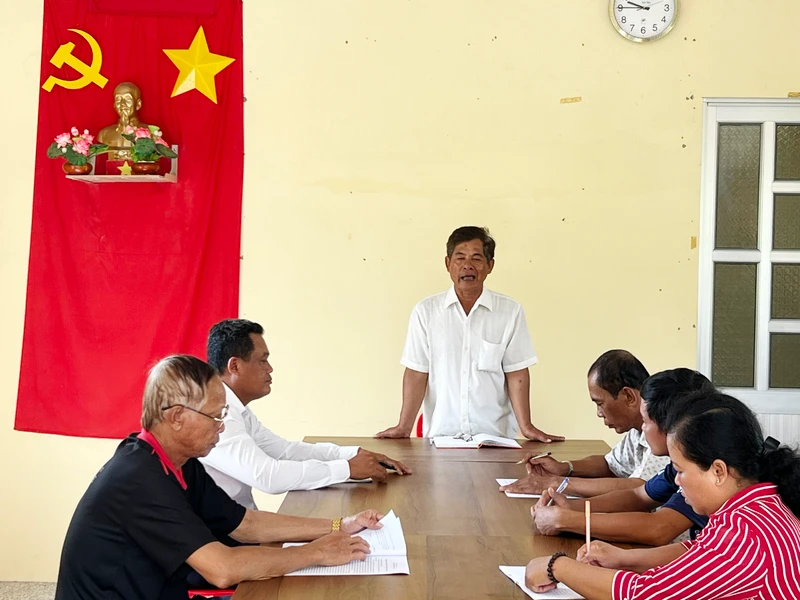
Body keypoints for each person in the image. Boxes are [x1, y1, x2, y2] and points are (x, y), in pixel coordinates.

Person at [55, 355, 385, 600]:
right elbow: (222, 569)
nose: (222, 426)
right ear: (177, 417)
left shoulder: (179, 461)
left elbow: (246, 524)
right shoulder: (137, 479)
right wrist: (316, 553)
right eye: (215, 416)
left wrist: (340, 525)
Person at [523, 391, 800, 599]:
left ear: (718, 471)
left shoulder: (745, 535)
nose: (677, 481)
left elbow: (643, 594)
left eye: (680, 471)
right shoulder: (758, 506)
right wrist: (624, 558)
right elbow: (698, 552)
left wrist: (556, 566)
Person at [375, 226, 563, 442]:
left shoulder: (510, 312)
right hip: (440, 438)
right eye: (460, 258)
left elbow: (517, 373)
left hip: (494, 438)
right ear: (448, 264)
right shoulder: (426, 312)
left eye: (476, 258)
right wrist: (403, 427)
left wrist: (527, 427)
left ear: (490, 265)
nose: (467, 265)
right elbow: (417, 372)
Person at [199, 319, 410, 509]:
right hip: (224, 535)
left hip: (243, 525)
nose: (270, 368)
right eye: (263, 360)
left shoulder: (236, 409)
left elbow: (284, 451)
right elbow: (267, 476)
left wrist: (353, 455)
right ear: (235, 366)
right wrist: (346, 468)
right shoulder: (216, 415)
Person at [532, 368, 712, 546]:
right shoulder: (676, 467)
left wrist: (569, 520)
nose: (642, 429)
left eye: (646, 422)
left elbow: (659, 528)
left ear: (671, 425)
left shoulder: (703, 469)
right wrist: (570, 507)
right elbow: (637, 496)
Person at [499, 350, 669, 497]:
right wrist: (564, 468)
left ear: (629, 396)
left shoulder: (662, 427)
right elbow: (611, 465)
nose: (599, 413)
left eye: (600, 403)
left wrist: (556, 483)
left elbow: (641, 488)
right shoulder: (637, 429)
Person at [97, 82, 150, 160]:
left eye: (127, 99)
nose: (122, 104)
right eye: (118, 99)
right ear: (114, 105)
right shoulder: (104, 134)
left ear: (138, 104)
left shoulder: (151, 132)